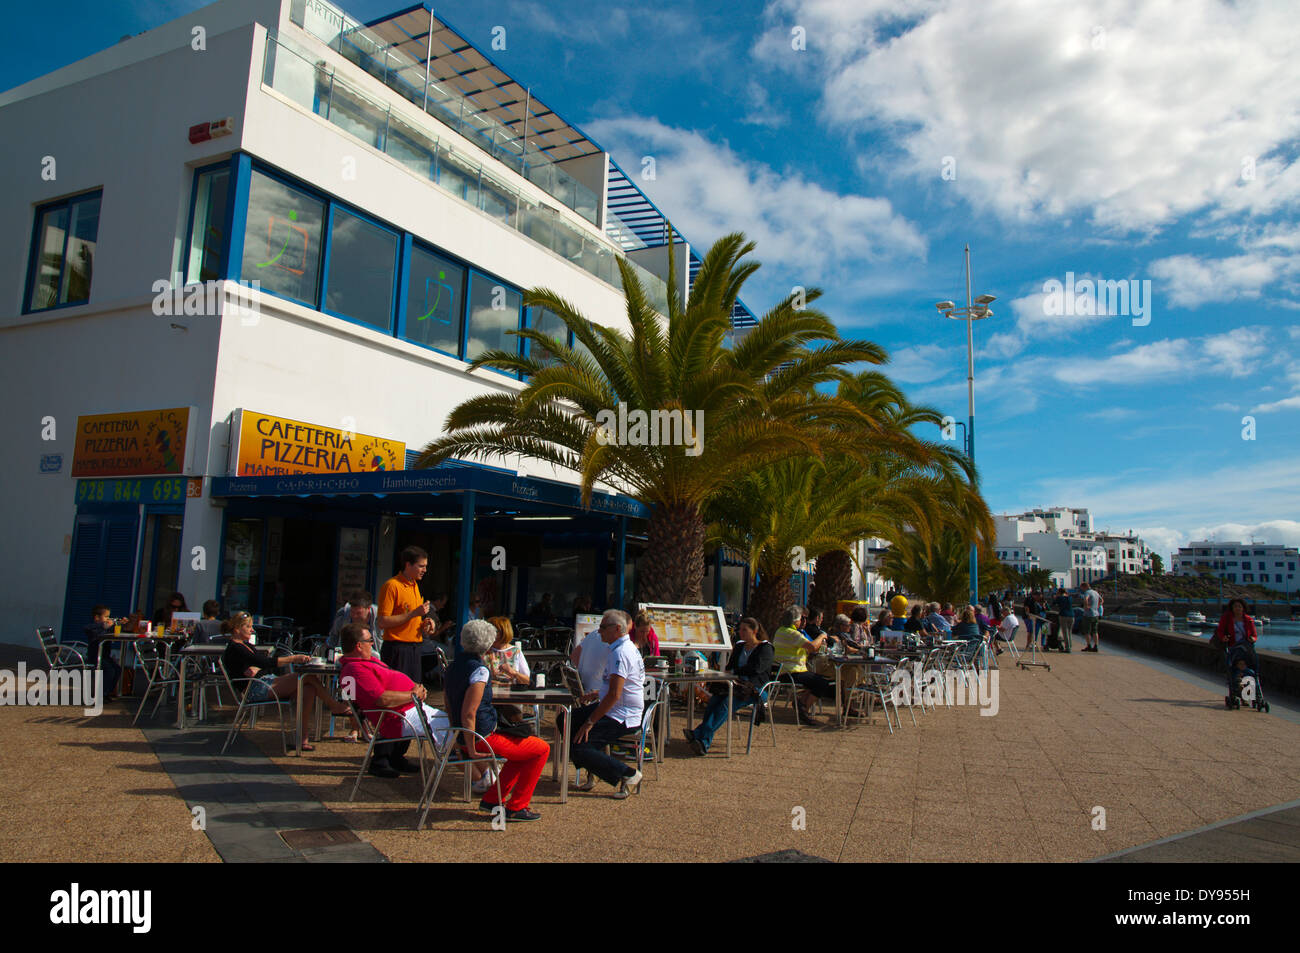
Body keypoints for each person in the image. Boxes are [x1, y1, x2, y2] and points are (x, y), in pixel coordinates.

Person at [443, 620, 551, 820]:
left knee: (523, 751)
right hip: (479, 736)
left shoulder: (452, 667)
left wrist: (457, 737)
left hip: (465, 735)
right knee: (541, 749)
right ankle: (517, 805)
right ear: (487, 643)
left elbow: (450, 705)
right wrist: (471, 746)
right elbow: (469, 712)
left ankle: (493, 798)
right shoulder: (479, 670)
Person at [221, 611, 358, 751]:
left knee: (308, 689)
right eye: (248, 626)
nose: (252, 629)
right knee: (307, 676)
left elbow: (259, 664)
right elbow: (265, 662)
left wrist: (257, 668)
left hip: (263, 682)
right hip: (255, 689)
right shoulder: (235, 648)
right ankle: (334, 705)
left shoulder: (245, 645)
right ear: (237, 629)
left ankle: (302, 739)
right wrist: (293, 658)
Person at [338, 622, 448, 778]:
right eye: (369, 640)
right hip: (397, 716)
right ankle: (474, 768)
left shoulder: (364, 663)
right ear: (359, 646)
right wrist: (413, 694)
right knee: (452, 730)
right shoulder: (354, 669)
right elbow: (381, 699)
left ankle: (395, 758)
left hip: (406, 709)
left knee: (452, 724)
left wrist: (415, 689)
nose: (372, 643)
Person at [563, 610, 644, 798]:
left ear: (617, 629)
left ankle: (627, 774)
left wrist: (590, 722)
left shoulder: (621, 653)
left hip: (622, 714)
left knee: (579, 746)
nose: (599, 631)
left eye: (603, 627)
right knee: (566, 720)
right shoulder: (619, 649)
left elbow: (615, 695)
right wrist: (597, 694)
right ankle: (594, 769)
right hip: (614, 707)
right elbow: (619, 688)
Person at [683, 617, 775, 755]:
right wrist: (730, 672)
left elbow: (756, 668)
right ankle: (702, 738)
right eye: (741, 630)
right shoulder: (739, 646)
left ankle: (701, 736)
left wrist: (735, 672)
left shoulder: (765, 648)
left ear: (754, 631)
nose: (742, 633)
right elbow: (730, 666)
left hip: (755, 689)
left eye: (745, 630)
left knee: (727, 703)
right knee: (714, 700)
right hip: (736, 684)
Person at [771, 605, 836, 726]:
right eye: (801, 619)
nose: (803, 622)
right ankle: (804, 708)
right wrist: (822, 636)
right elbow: (812, 647)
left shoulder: (780, 631)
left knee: (815, 679)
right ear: (796, 620)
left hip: (783, 671)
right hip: (792, 672)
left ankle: (801, 704)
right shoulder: (792, 633)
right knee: (822, 683)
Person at [377, 547, 432, 683]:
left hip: (415, 647)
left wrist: (426, 624)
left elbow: (413, 618)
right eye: (421, 566)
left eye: (425, 566)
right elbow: (382, 621)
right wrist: (414, 613)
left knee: (413, 692)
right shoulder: (392, 586)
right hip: (397, 648)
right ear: (408, 565)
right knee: (397, 690)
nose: (424, 570)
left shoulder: (415, 586)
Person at [84, 605, 120, 701]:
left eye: (109, 617)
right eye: (106, 617)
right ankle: (100, 694)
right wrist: (103, 626)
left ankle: (106, 692)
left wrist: (120, 624)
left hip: (104, 656)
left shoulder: (107, 628)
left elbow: (115, 630)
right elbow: (88, 629)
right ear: (97, 618)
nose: (108, 619)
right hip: (95, 656)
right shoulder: (92, 628)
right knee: (109, 671)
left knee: (117, 669)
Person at [486, 616, 530, 687]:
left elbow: (527, 680)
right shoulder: (484, 650)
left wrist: (513, 672)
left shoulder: (515, 651)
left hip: (510, 694)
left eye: (494, 631)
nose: (489, 634)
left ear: (504, 632)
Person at [571, 618, 612, 694]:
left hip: (584, 691)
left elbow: (574, 655)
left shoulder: (593, 634)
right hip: (599, 696)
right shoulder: (615, 643)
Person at [1079, 582, 1102, 652]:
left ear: (1084, 587)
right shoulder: (1095, 592)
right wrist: (1097, 606)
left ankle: (1089, 645)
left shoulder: (1087, 592)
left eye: (1082, 588)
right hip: (1096, 614)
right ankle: (1096, 646)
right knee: (1095, 631)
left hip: (1088, 615)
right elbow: (1101, 600)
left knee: (1087, 631)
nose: (1082, 590)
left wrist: (1086, 606)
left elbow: (1086, 599)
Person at [1054, 588, 1074, 653]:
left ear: (1059, 592)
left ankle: (1067, 648)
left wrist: (1056, 596)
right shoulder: (1070, 598)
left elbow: (1054, 603)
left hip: (1063, 615)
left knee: (1065, 632)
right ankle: (1070, 646)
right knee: (1069, 632)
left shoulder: (1059, 598)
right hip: (1071, 615)